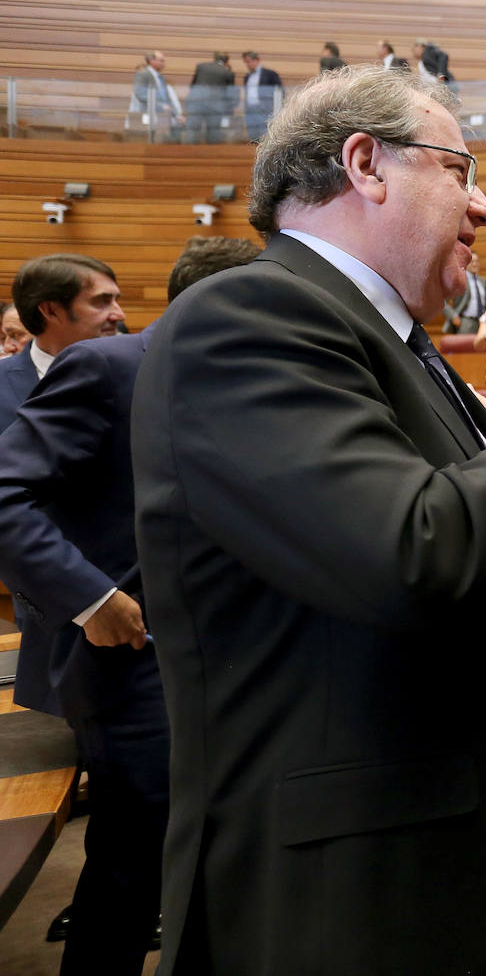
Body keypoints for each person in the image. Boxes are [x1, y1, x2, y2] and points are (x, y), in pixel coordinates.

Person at [130, 65, 486, 974]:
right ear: (366, 163)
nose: (484, 206)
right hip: (359, 902)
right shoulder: (251, 314)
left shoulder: (389, 339)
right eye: (460, 170)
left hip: (457, 863)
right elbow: (412, 549)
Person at [0, 238, 257, 976]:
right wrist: (90, 597)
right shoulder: (109, 367)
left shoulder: (244, 380)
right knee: (131, 869)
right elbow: (6, 497)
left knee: (209, 866)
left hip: (232, 664)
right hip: (134, 667)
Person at [1, 255, 125, 434]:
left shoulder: (137, 373)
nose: (119, 315)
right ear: (51, 310)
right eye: (102, 301)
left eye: (116, 301)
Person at [129, 51, 183, 142]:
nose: (163, 64)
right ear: (151, 61)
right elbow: (141, 95)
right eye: (161, 61)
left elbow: (168, 99)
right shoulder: (143, 74)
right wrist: (161, 106)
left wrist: (176, 114)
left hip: (163, 116)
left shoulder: (161, 78)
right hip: (149, 114)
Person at [186, 52, 235, 143]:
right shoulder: (227, 72)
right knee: (213, 133)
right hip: (215, 107)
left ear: (214, 58)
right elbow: (230, 94)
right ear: (226, 61)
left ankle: (188, 154)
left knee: (192, 130)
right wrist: (229, 111)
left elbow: (192, 86)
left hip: (196, 103)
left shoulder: (201, 67)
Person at [240, 51, 283, 142]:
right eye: (245, 62)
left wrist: (277, 107)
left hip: (264, 109)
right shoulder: (247, 76)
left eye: (249, 61)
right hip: (250, 109)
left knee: (264, 134)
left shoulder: (270, 74)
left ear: (256, 60)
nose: (247, 64)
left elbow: (280, 90)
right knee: (252, 134)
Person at [443, 251, 485, 333]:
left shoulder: (482, 281)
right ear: (466, 263)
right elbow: (442, 301)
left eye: (477, 261)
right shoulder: (458, 281)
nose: (475, 264)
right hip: (465, 322)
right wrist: (453, 316)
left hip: (482, 323)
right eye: (472, 261)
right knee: (464, 346)